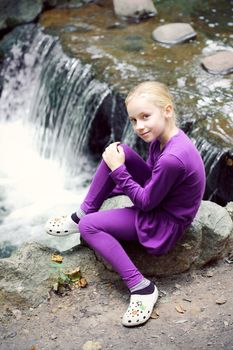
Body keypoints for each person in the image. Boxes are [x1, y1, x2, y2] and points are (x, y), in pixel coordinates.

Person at [45, 81, 206, 327]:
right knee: (118, 150)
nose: (139, 126)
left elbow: (146, 203)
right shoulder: (164, 139)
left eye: (145, 117)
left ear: (168, 110)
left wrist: (119, 172)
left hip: (163, 223)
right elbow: (153, 181)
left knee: (90, 227)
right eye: (133, 120)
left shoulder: (173, 158)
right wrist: (117, 176)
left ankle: (141, 288)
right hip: (160, 202)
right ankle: (80, 213)